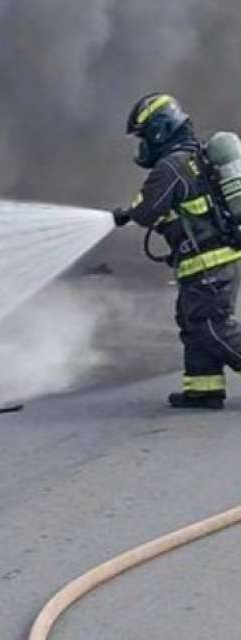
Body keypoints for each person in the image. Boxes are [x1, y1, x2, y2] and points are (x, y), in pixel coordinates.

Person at [115, 93, 241, 409]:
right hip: (210, 260)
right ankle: (204, 388)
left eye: (143, 136)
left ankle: (205, 388)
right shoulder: (192, 158)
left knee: (212, 327)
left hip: (208, 263)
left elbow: (147, 211)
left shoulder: (171, 167)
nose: (141, 145)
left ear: (159, 130)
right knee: (193, 323)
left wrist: (127, 213)